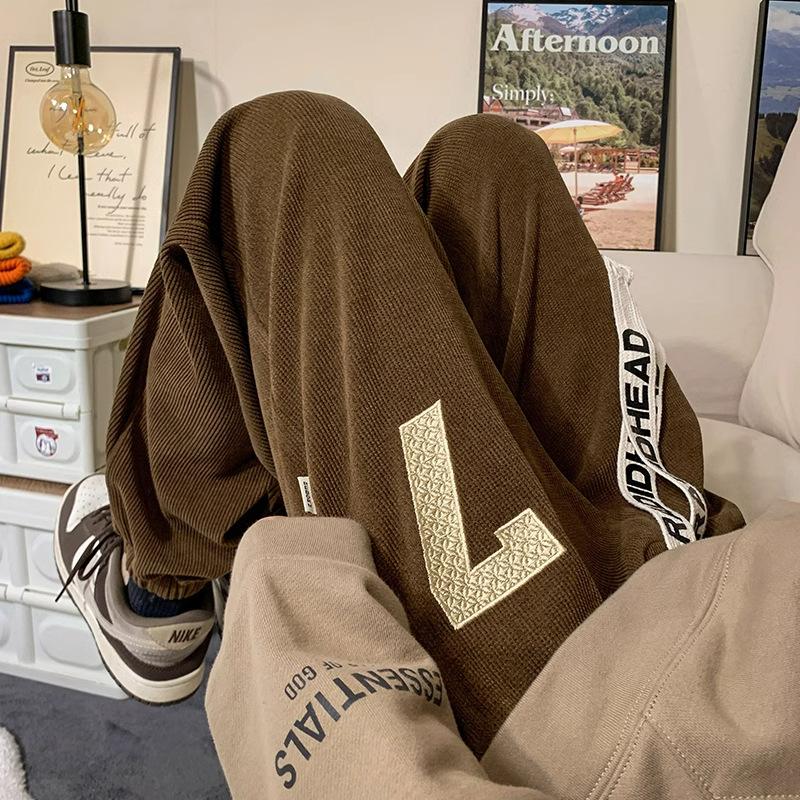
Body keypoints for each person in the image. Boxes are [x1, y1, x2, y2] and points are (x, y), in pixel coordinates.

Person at [54, 93, 800, 797]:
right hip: (696, 591)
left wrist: (300, 586)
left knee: (290, 142)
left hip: (577, 699)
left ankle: (161, 583)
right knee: (489, 161)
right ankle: (170, 566)